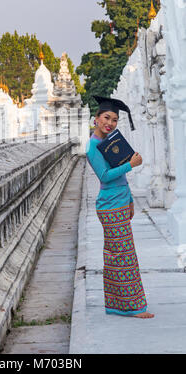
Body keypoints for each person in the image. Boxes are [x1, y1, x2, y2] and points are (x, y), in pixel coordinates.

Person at [86, 95, 154, 318]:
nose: (110, 123)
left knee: (120, 255)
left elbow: (119, 179)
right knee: (123, 256)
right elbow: (105, 176)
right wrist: (130, 165)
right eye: (106, 117)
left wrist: (130, 198)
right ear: (96, 119)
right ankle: (131, 307)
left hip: (120, 201)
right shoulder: (93, 147)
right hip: (110, 205)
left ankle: (117, 305)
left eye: (115, 119)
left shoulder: (109, 143)